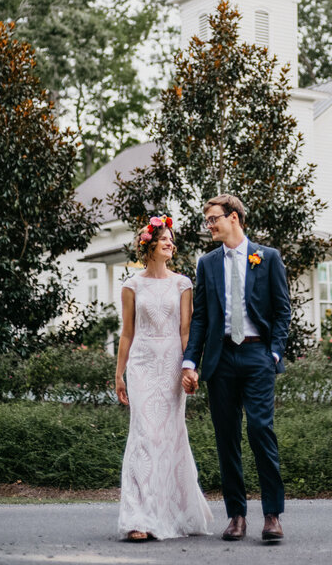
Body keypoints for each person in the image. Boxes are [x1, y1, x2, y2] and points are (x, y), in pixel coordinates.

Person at [181, 195, 291, 543]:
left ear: (234, 217)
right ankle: (237, 516)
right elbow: (200, 317)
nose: (209, 225)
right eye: (208, 220)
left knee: (261, 431)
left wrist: (274, 354)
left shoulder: (267, 257)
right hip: (221, 359)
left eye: (214, 219)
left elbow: (282, 311)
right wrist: (190, 361)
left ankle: (272, 515)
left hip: (258, 356)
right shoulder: (207, 263)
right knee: (226, 438)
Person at [115, 216, 213, 542]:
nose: (171, 243)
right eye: (165, 239)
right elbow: (127, 333)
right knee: (143, 435)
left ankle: (172, 512)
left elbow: (186, 330)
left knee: (170, 435)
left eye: (172, 239)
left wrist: (190, 367)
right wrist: (119, 374)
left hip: (172, 364)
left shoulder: (182, 283)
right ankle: (138, 517)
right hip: (141, 365)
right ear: (150, 245)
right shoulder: (132, 285)